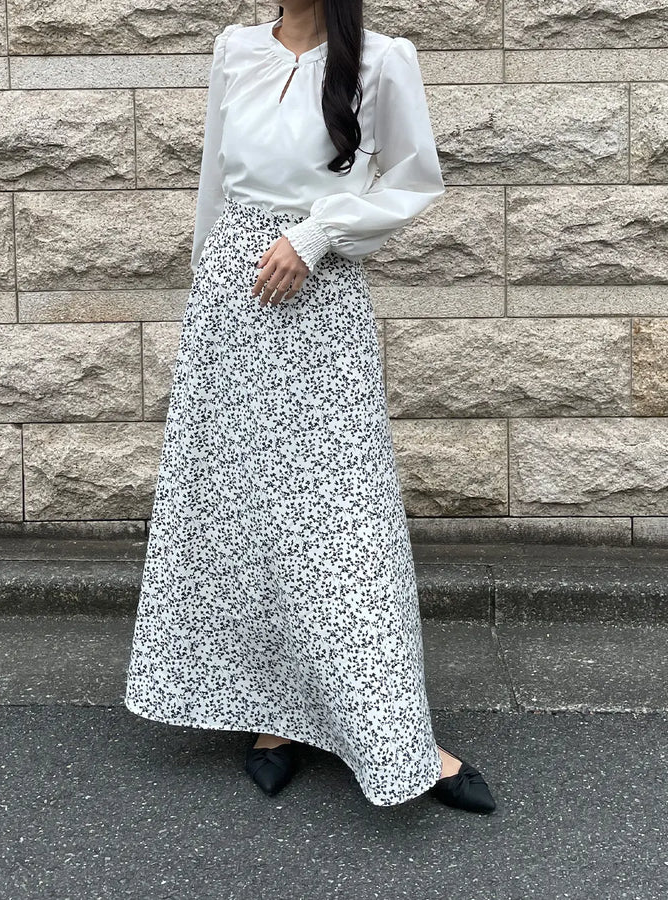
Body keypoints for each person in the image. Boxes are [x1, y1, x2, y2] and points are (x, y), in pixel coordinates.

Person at [124, 0, 496, 814]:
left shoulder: (382, 60)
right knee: (247, 508)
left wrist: (316, 235)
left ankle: (398, 733)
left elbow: (414, 178)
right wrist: (205, 288)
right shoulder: (235, 49)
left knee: (340, 519)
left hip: (319, 301)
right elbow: (215, 181)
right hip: (234, 302)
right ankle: (274, 712)